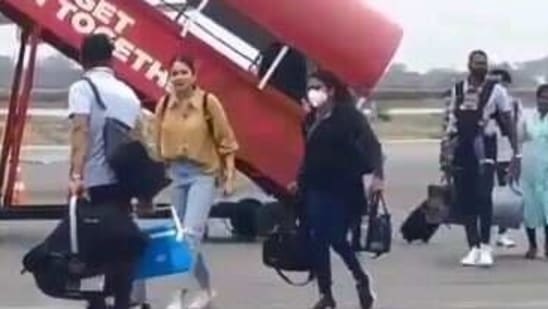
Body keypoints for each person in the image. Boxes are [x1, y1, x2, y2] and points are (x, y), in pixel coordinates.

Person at [154, 56, 239, 308]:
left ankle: (177, 294)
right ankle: (206, 289)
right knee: (182, 237)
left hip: (203, 173)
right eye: (174, 73)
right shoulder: (164, 104)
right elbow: (156, 140)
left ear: (193, 76)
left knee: (190, 235)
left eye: (183, 72)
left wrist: (229, 176)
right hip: (176, 174)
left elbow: (226, 141)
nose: (178, 77)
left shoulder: (207, 102)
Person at [68, 33, 144, 309]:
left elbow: (81, 130)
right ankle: (122, 301)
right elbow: (138, 140)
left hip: (95, 180)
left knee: (93, 245)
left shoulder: (82, 88)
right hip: (123, 181)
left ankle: (97, 303)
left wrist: (76, 175)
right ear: (111, 59)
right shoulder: (128, 93)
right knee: (121, 243)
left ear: (83, 58)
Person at [298, 70, 384, 309]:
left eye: (317, 87)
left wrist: (378, 176)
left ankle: (361, 279)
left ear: (331, 90)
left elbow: (372, 144)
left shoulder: (348, 116)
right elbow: (309, 153)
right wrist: (298, 179)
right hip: (315, 185)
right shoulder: (310, 119)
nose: (312, 92)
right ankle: (326, 294)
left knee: (336, 237)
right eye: (310, 87)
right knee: (318, 239)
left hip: (343, 185)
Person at [442, 50, 520, 268]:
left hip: (485, 146)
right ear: (469, 65)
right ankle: (473, 245)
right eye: (477, 63)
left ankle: (486, 246)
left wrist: (516, 152)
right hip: (462, 147)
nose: (481, 66)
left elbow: (508, 121)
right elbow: (450, 122)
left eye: (484, 63)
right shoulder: (458, 90)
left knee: (483, 197)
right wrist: (446, 152)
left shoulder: (496, 91)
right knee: (465, 198)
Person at [489, 69, 523, 248]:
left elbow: (519, 129)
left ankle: (503, 232)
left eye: (501, 83)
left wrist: (517, 153)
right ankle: (486, 231)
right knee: (485, 193)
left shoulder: (514, 104)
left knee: (506, 193)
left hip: (505, 154)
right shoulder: (484, 103)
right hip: (486, 154)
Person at [519, 84, 548, 259]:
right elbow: (518, 139)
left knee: (547, 209)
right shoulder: (528, 117)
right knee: (529, 210)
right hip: (529, 170)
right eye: (542, 97)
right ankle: (532, 245)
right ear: (537, 98)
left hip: (546, 170)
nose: (545, 100)